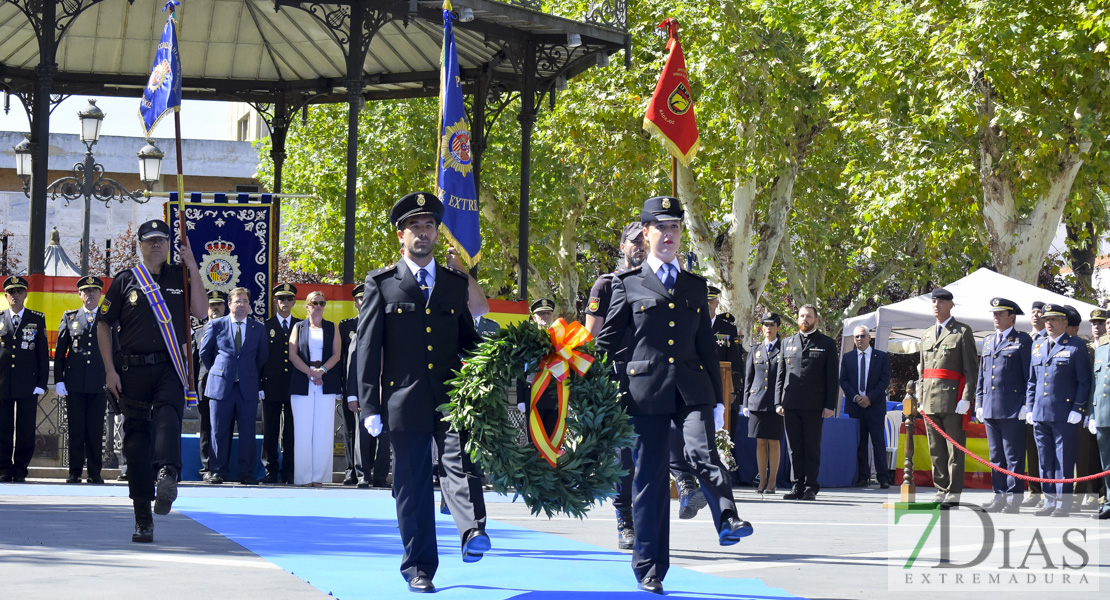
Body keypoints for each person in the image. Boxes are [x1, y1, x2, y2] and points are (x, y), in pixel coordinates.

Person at [597, 196, 752, 595]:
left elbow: (705, 344)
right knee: (648, 480)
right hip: (643, 392)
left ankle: (728, 519)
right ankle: (649, 569)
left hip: (691, 388)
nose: (668, 235)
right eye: (660, 228)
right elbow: (607, 341)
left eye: (674, 228)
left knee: (702, 452)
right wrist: (579, 372)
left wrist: (718, 401)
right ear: (645, 234)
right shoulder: (626, 285)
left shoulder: (694, 286)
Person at [356, 191, 489, 594]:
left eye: (429, 225)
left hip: (450, 396)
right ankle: (418, 567)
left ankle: (471, 532)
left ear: (436, 233)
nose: (422, 232)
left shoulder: (452, 284)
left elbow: (468, 338)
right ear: (401, 235)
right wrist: (368, 405)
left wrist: (494, 362)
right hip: (403, 399)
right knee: (412, 485)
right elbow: (367, 346)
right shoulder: (381, 283)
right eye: (414, 226)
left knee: (460, 462)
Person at [97, 219, 207, 543]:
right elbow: (104, 324)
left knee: (169, 418)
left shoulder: (180, 276)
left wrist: (194, 268)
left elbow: (200, 310)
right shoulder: (124, 281)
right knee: (136, 441)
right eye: (150, 240)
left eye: (162, 240)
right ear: (140, 245)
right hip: (131, 371)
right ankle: (143, 518)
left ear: (169, 244)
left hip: (169, 366)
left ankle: (168, 474)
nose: (156, 245)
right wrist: (109, 370)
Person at [584, 220, 644, 550]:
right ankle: (625, 520)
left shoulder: (656, 284)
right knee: (624, 455)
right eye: (633, 242)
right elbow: (591, 337)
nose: (640, 246)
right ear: (622, 246)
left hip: (651, 376)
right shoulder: (606, 285)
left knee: (651, 450)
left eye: (642, 241)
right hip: (618, 376)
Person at [1025, 303, 1089, 516]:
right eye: (1047, 320)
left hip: (1064, 413)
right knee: (1045, 459)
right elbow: (1032, 381)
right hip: (1041, 412)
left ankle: (1063, 503)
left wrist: (1078, 408)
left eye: (1054, 320)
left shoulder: (1075, 346)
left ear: (1064, 322)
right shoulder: (1038, 346)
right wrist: (1030, 407)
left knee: (1064, 459)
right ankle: (1049, 501)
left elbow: (1084, 382)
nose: (1049, 323)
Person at [200, 287, 268, 485]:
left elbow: (262, 357)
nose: (242, 305)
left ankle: (246, 473)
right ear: (229, 304)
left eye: (245, 301)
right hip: (221, 386)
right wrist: (222, 370)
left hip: (246, 386)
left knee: (248, 431)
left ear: (250, 305)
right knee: (218, 430)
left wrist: (244, 373)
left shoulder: (258, 328)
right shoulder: (217, 325)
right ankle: (217, 471)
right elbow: (205, 353)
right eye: (237, 301)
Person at [918, 287, 977, 507]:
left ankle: (954, 491)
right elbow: (923, 371)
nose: (936, 305)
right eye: (934, 301)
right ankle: (941, 489)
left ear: (951, 305)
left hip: (953, 400)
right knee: (936, 450)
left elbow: (971, 369)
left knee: (954, 450)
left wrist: (966, 398)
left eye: (941, 301)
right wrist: (919, 395)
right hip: (930, 400)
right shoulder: (926, 334)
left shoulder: (961, 331)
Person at [973, 298, 1032, 512]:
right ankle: (999, 495)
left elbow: (1029, 376)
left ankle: (1013, 498)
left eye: (1000, 314)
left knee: (1013, 455)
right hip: (989, 407)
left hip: (1012, 408)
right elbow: (982, 375)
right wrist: (979, 401)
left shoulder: (1022, 340)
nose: (996, 318)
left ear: (1012, 317)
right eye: (994, 314)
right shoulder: (989, 341)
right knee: (995, 456)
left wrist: (1026, 405)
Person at [774, 304, 838, 501]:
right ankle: (797, 485)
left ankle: (811, 485)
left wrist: (830, 405)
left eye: (808, 316)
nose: (804, 319)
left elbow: (831, 377)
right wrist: (778, 401)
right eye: (802, 316)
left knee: (811, 446)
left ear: (815, 320)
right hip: (791, 403)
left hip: (814, 404)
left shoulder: (826, 343)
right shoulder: (787, 342)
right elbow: (780, 375)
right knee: (794, 447)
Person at [55, 276, 109, 484]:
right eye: (86, 291)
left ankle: (95, 472)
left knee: (95, 430)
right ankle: (75, 471)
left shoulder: (107, 318)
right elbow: (60, 353)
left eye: (95, 291)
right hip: (75, 383)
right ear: (80, 295)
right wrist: (59, 380)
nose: (91, 294)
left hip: (99, 382)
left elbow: (116, 351)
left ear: (100, 294)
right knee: (76, 429)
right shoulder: (69, 318)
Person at [288, 290, 342, 487]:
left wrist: (322, 371)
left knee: (323, 430)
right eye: (314, 303)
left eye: (322, 303)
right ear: (307, 306)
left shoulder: (332, 327)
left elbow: (337, 354)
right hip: (303, 380)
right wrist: (310, 372)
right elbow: (293, 354)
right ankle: (303, 477)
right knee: (302, 430)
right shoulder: (298, 327)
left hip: (325, 380)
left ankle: (319, 477)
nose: (318, 306)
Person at [342, 284, 391, 489]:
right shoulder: (360, 328)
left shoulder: (389, 325)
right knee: (362, 436)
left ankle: (380, 476)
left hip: (388, 389)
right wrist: (352, 395)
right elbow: (352, 364)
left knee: (385, 436)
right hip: (365, 391)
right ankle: (363, 475)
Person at [0, 276, 48, 483]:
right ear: (6, 295)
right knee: (2, 428)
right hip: (2, 383)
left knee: (25, 429)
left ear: (26, 294)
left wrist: (41, 383)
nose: (15, 296)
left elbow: (42, 354)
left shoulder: (36, 318)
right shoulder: (0, 318)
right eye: (11, 292)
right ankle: (3, 468)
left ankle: (20, 468)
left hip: (28, 383)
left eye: (19, 291)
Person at [839, 326, 892, 489]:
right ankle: (863, 476)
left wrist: (870, 398)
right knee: (860, 443)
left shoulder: (881, 357)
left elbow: (885, 380)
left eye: (862, 336)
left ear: (870, 338)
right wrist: (856, 397)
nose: (859, 339)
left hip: (874, 406)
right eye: (856, 337)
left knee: (878, 442)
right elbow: (843, 380)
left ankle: (883, 477)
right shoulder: (847, 358)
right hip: (856, 406)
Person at [261, 283, 300, 484]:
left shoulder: (302, 326)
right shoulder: (265, 327)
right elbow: (260, 358)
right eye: (281, 299)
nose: (285, 303)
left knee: (291, 431)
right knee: (270, 431)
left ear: (294, 301)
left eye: (288, 299)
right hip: (271, 385)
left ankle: (289, 471)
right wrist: (260, 386)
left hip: (294, 386)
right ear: (275, 301)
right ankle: (270, 471)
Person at [743, 312, 783, 495]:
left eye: (772, 325)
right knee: (760, 442)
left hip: (775, 402)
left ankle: (772, 482)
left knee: (773, 442)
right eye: (765, 325)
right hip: (757, 401)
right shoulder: (755, 349)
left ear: (778, 327)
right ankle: (762, 480)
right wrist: (745, 403)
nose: (768, 329)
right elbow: (748, 379)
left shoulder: (784, 349)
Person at [1073, 306, 1104, 510]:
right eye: (1093, 323)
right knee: (1089, 452)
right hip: (1088, 407)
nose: (1096, 327)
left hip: (1104, 406)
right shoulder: (1087, 348)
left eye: (1101, 323)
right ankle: (1093, 493)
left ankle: (1103, 494)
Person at [194, 290, 227, 479]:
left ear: (225, 307)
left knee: (225, 427)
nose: (215, 308)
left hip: (226, 385)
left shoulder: (232, 329)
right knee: (206, 428)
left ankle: (221, 468)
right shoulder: (198, 333)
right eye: (212, 305)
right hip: (205, 386)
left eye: (219, 304)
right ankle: (207, 468)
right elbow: (192, 362)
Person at [517, 298, 560, 436]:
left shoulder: (561, 339)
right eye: (541, 314)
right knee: (534, 438)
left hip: (555, 396)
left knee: (553, 437)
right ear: (534, 318)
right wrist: (520, 399)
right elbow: (521, 371)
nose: (545, 317)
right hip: (534, 395)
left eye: (548, 313)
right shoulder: (527, 340)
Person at [1023, 300, 1048, 508]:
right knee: (1030, 448)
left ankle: (1047, 490)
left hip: (1043, 401)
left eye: (1040, 312)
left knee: (1044, 449)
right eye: (1033, 311)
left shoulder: (1050, 340)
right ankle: (1034, 490)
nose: (1036, 315)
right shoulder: (1024, 339)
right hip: (1024, 402)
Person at [1090, 323, 1110, 519]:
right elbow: (1094, 384)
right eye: (1109, 323)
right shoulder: (1101, 350)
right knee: (1107, 463)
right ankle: (1109, 502)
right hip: (1102, 413)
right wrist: (1091, 413)